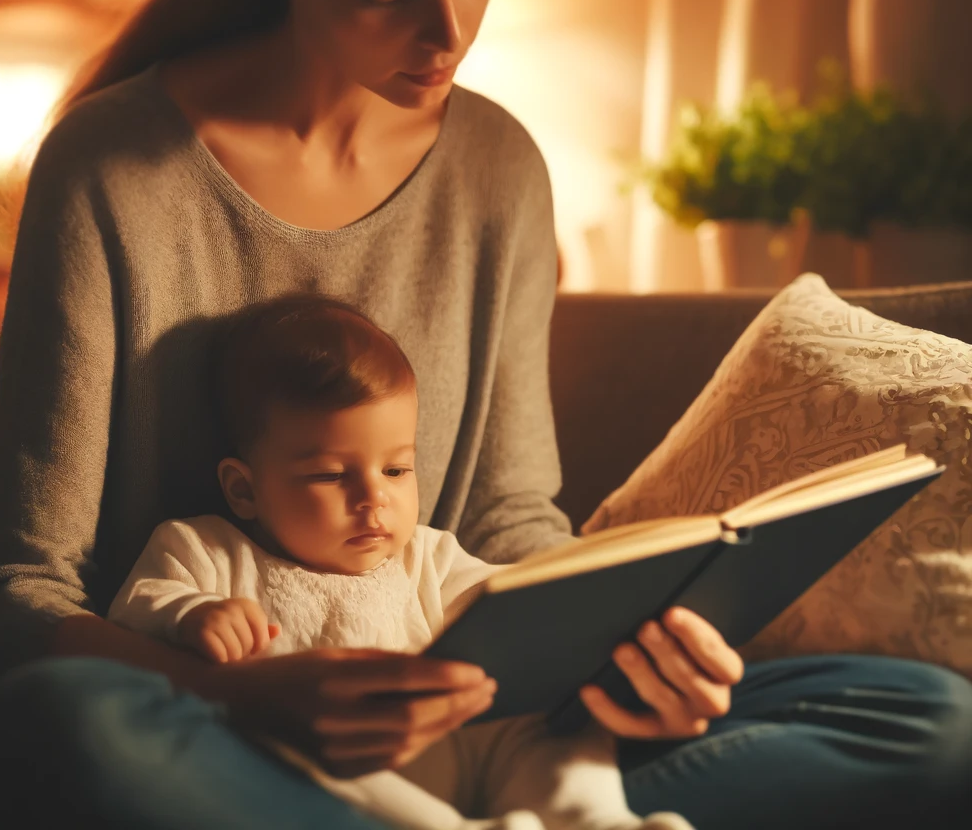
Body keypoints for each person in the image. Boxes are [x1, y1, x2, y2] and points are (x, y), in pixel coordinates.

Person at [0, 0, 971, 828]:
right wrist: (238, 690)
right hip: (217, 726)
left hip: (475, 733)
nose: (446, 32)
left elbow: (506, 524)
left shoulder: (498, 171)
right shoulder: (110, 172)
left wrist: (632, 648)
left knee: (925, 717)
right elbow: (17, 591)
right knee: (61, 721)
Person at [107, 292, 694, 830]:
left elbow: (512, 603)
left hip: (453, 743)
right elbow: (134, 606)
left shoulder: (428, 556)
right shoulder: (209, 550)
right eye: (330, 475)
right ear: (244, 490)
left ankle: (592, 818)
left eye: (396, 469)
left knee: (540, 727)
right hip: (343, 760)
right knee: (270, 752)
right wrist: (192, 614)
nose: (373, 498)